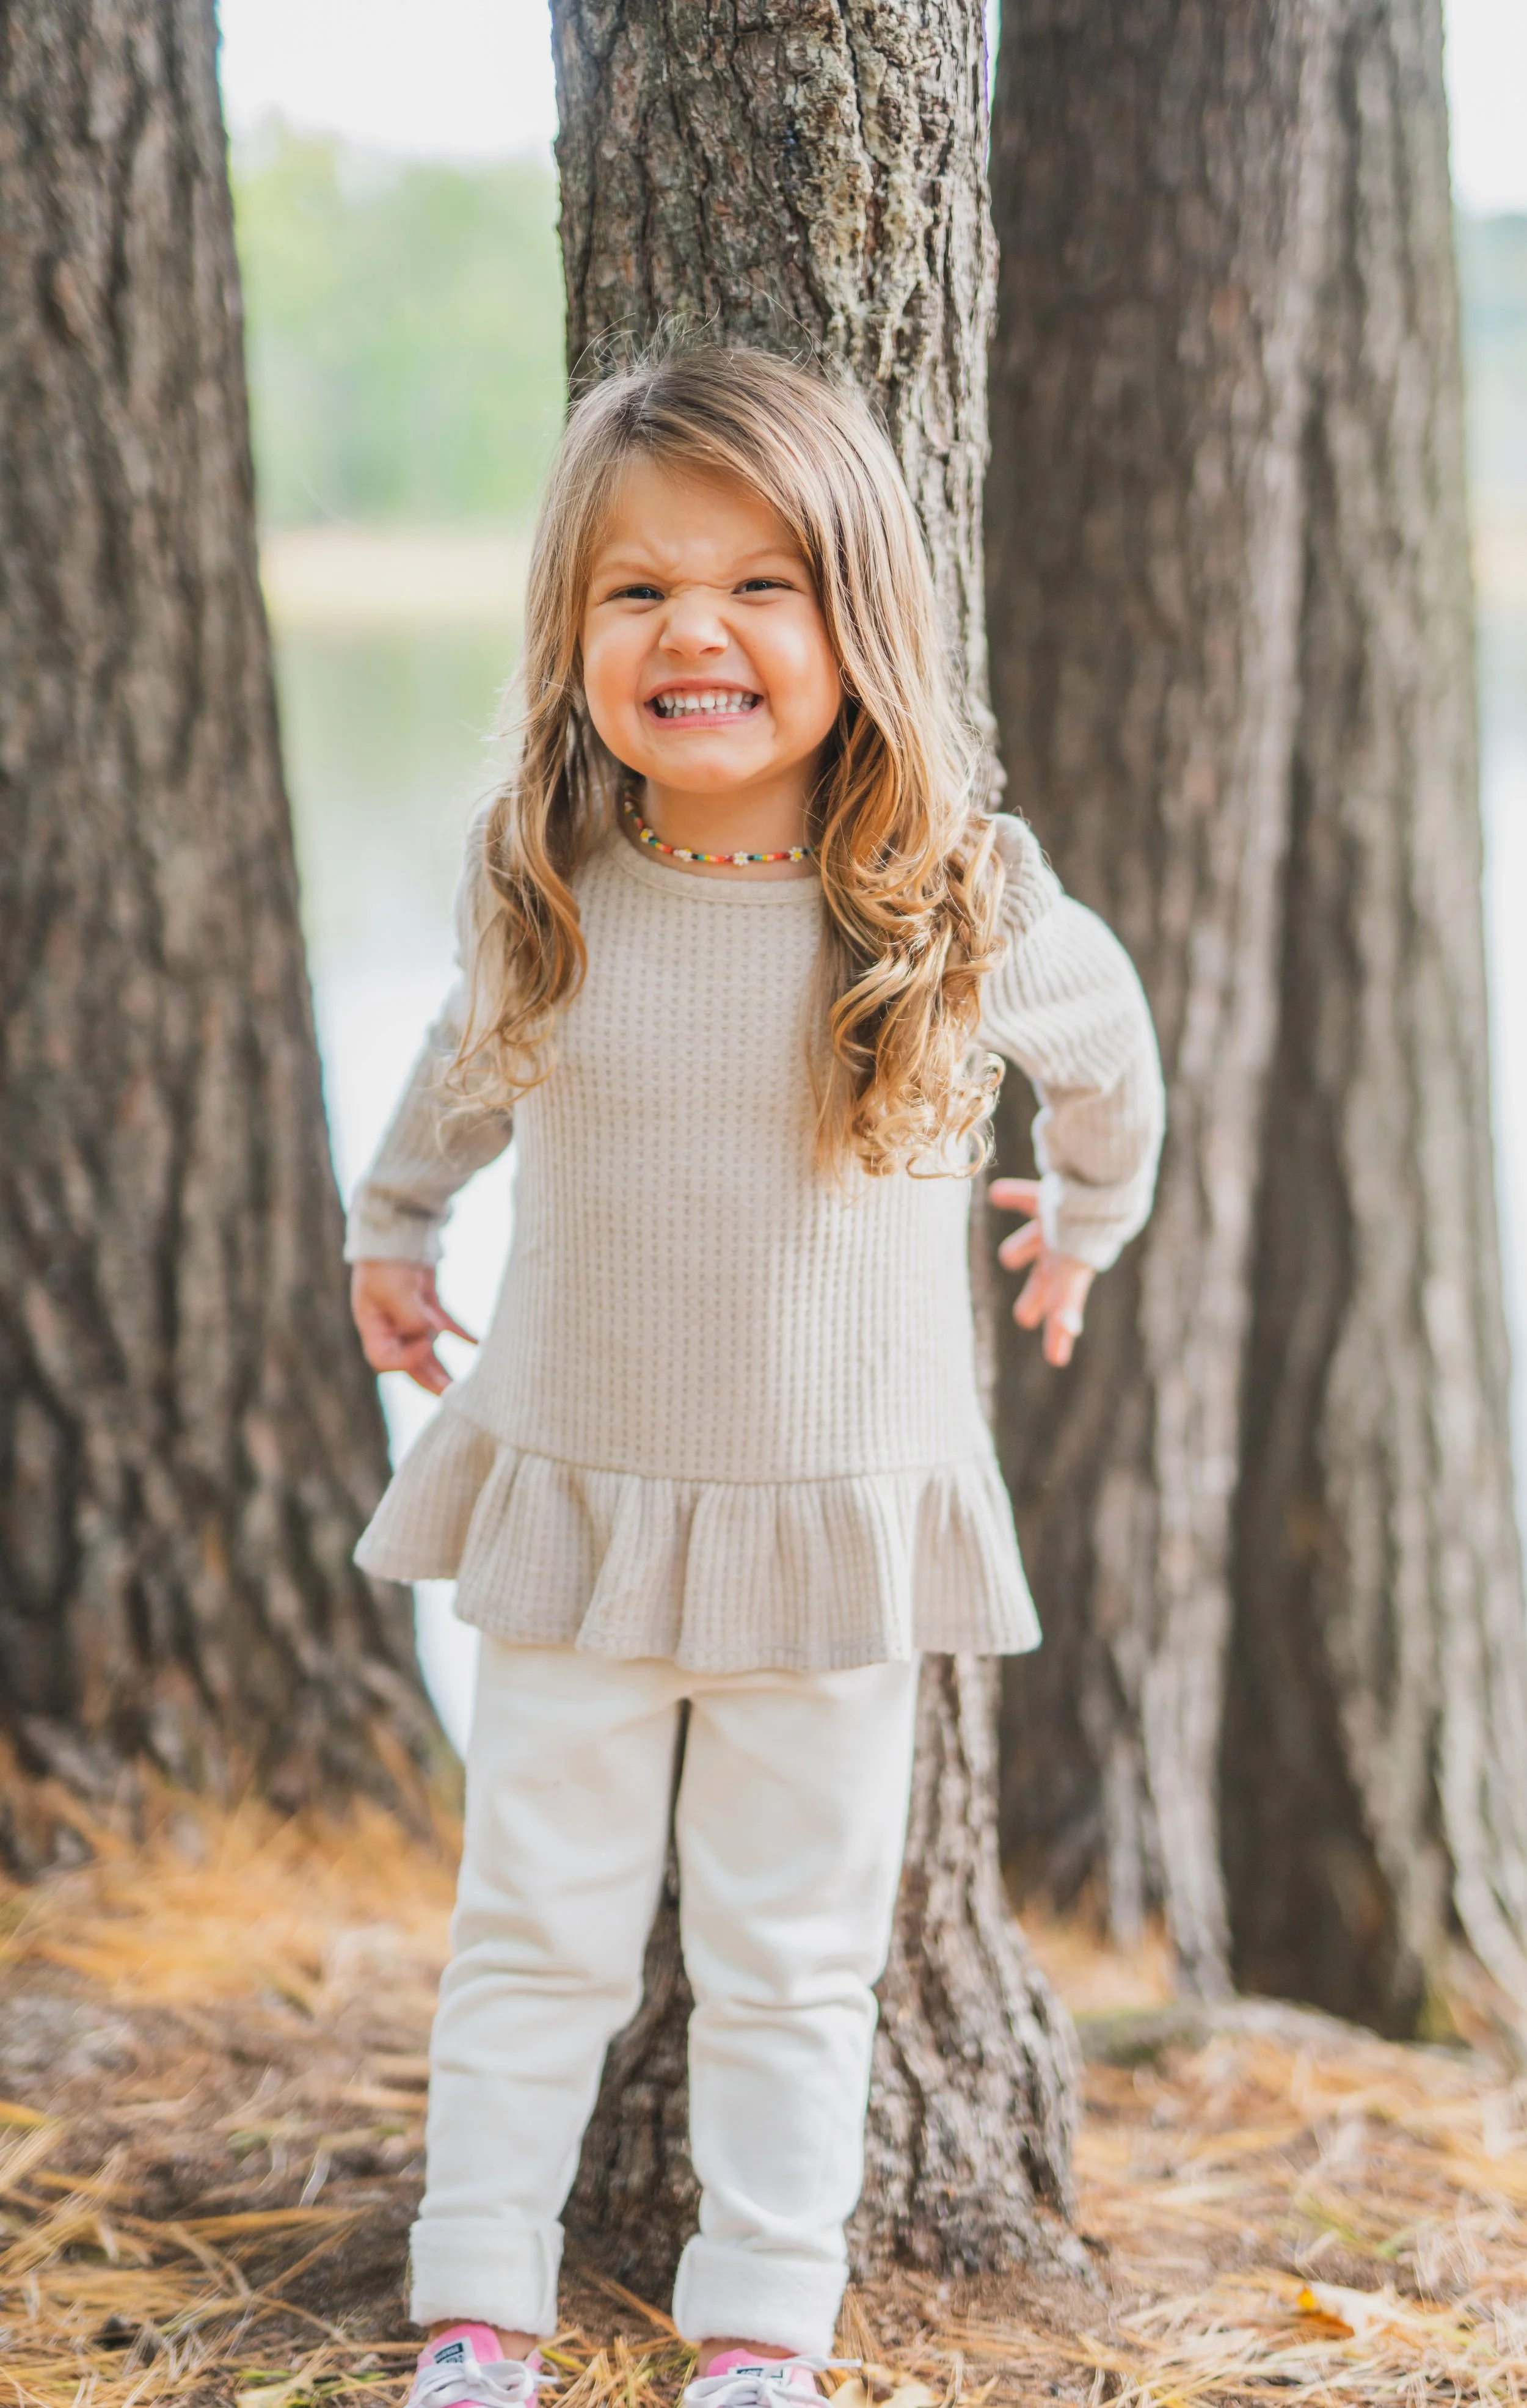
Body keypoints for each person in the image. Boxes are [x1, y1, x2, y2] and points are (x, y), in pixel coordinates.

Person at [346, 346, 1164, 2408]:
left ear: (859, 619)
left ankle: (761, 2329)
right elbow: (462, 1070)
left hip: (833, 1534)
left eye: (760, 585)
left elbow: (1113, 1063)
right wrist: (392, 1226)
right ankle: (477, 2309)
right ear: (573, 631)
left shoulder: (956, 904)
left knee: (791, 1962)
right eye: (634, 592)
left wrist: (1081, 1221)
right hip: (581, 1505)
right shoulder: (548, 878)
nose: (691, 631)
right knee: (536, 1927)